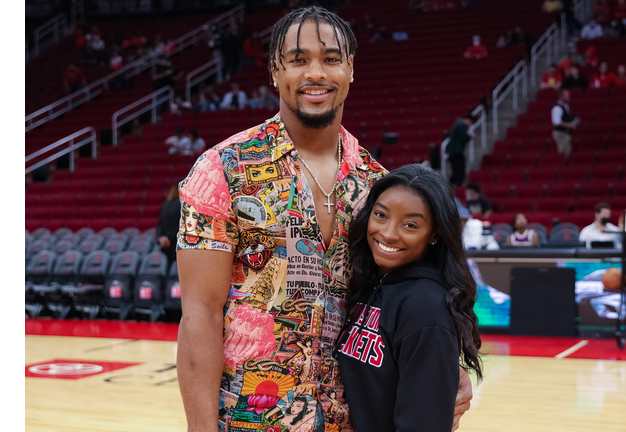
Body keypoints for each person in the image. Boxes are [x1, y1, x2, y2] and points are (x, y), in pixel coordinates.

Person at [175, 7, 473, 432]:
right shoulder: (222, 170)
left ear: (350, 70)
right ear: (275, 72)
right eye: (298, 60)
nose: (316, 72)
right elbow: (200, 311)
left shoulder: (377, 185)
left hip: (352, 419)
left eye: (331, 58)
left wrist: (444, 365)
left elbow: (405, 300)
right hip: (249, 419)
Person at [337, 164, 483, 432]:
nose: (389, 233)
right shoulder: (372, 283)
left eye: (410, 224)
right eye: (381, 215)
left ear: (435, 234)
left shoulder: (428, 308)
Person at [445, 109, 475, 186]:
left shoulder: (457, 125)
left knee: (456, 173)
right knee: (459, 173)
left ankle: (448, 188)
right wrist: (470, 136)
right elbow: (464, 137)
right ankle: (454, 189)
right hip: (456, 152)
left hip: (454, 152)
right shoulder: (461, 125)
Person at [156, 184, 181, 266]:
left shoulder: (165, 205)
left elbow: (159, 226)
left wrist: (161, 238)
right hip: (177, 243)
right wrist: (169, 237)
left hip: (165, 245)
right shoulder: (182, 205)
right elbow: (182, 226)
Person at [551, 89, 578, 159]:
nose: (568, 97)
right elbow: (556, 122)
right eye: (566, 95)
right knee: (563, 154)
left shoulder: (566, 107)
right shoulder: (557, 108)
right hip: (561, 134)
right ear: (561, 96)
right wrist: (569, 125)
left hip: (566, 133)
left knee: (567, 152)